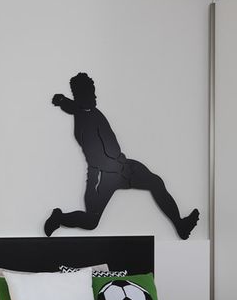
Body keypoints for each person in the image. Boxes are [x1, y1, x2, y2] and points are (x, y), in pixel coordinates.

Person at [45, 72, 199, 239]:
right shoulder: (88, 120)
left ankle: (181, 226)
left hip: (114, 169)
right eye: (91, 93)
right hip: (111, 172)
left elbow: (73, 106)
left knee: (155, 183)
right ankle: (59, 218)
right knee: (92, 221)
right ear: (83, 96)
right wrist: (120, 169)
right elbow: (99, 156)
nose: (95, 96)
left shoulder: (83, 111)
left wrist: (62, 100)